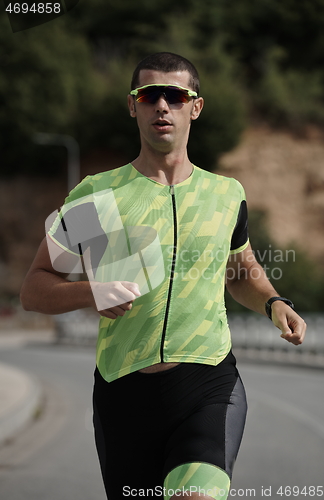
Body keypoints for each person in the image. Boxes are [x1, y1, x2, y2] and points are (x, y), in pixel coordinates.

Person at [20, 52, 306, 500]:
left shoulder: (226, 195)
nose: (162, 106)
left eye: (175, 95)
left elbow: (239, 270)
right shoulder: (98, 196)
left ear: (196, 106)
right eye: (149, 95)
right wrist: (89, 291)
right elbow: (34, 288)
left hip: (208, 383)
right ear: (133, 105)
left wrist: (274, 302)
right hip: (124, 394)